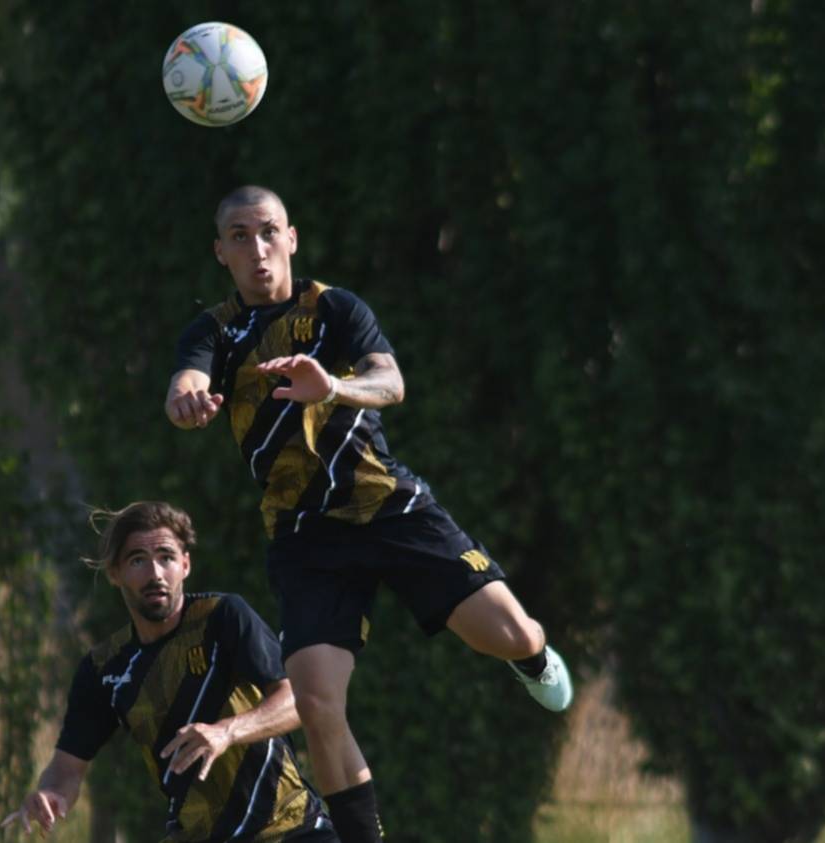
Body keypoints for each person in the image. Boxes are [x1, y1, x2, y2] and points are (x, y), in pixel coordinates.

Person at [165, 185, 573, 843]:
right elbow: (185, 381)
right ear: (220, 251)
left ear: (291, 237)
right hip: (305, 537)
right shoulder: (212, 330)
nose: (257, 247)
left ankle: (530, 655)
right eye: (239, 236)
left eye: (268, 231)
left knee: (511, 633)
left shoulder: (336, 310)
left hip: (391, 510)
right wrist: (186, 401)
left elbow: (391, 381)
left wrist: (335, 387)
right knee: (318, 700)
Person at [2, 500, 337, 842]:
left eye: (166, 557)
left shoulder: (222, 617)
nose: (155, 574)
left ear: (185, 564)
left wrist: (227, 731)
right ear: (115, 573)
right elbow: (66, 769)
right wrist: (51, 794)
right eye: (138, 560)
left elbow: (296, 700)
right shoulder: (104, 669)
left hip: (292, 829)